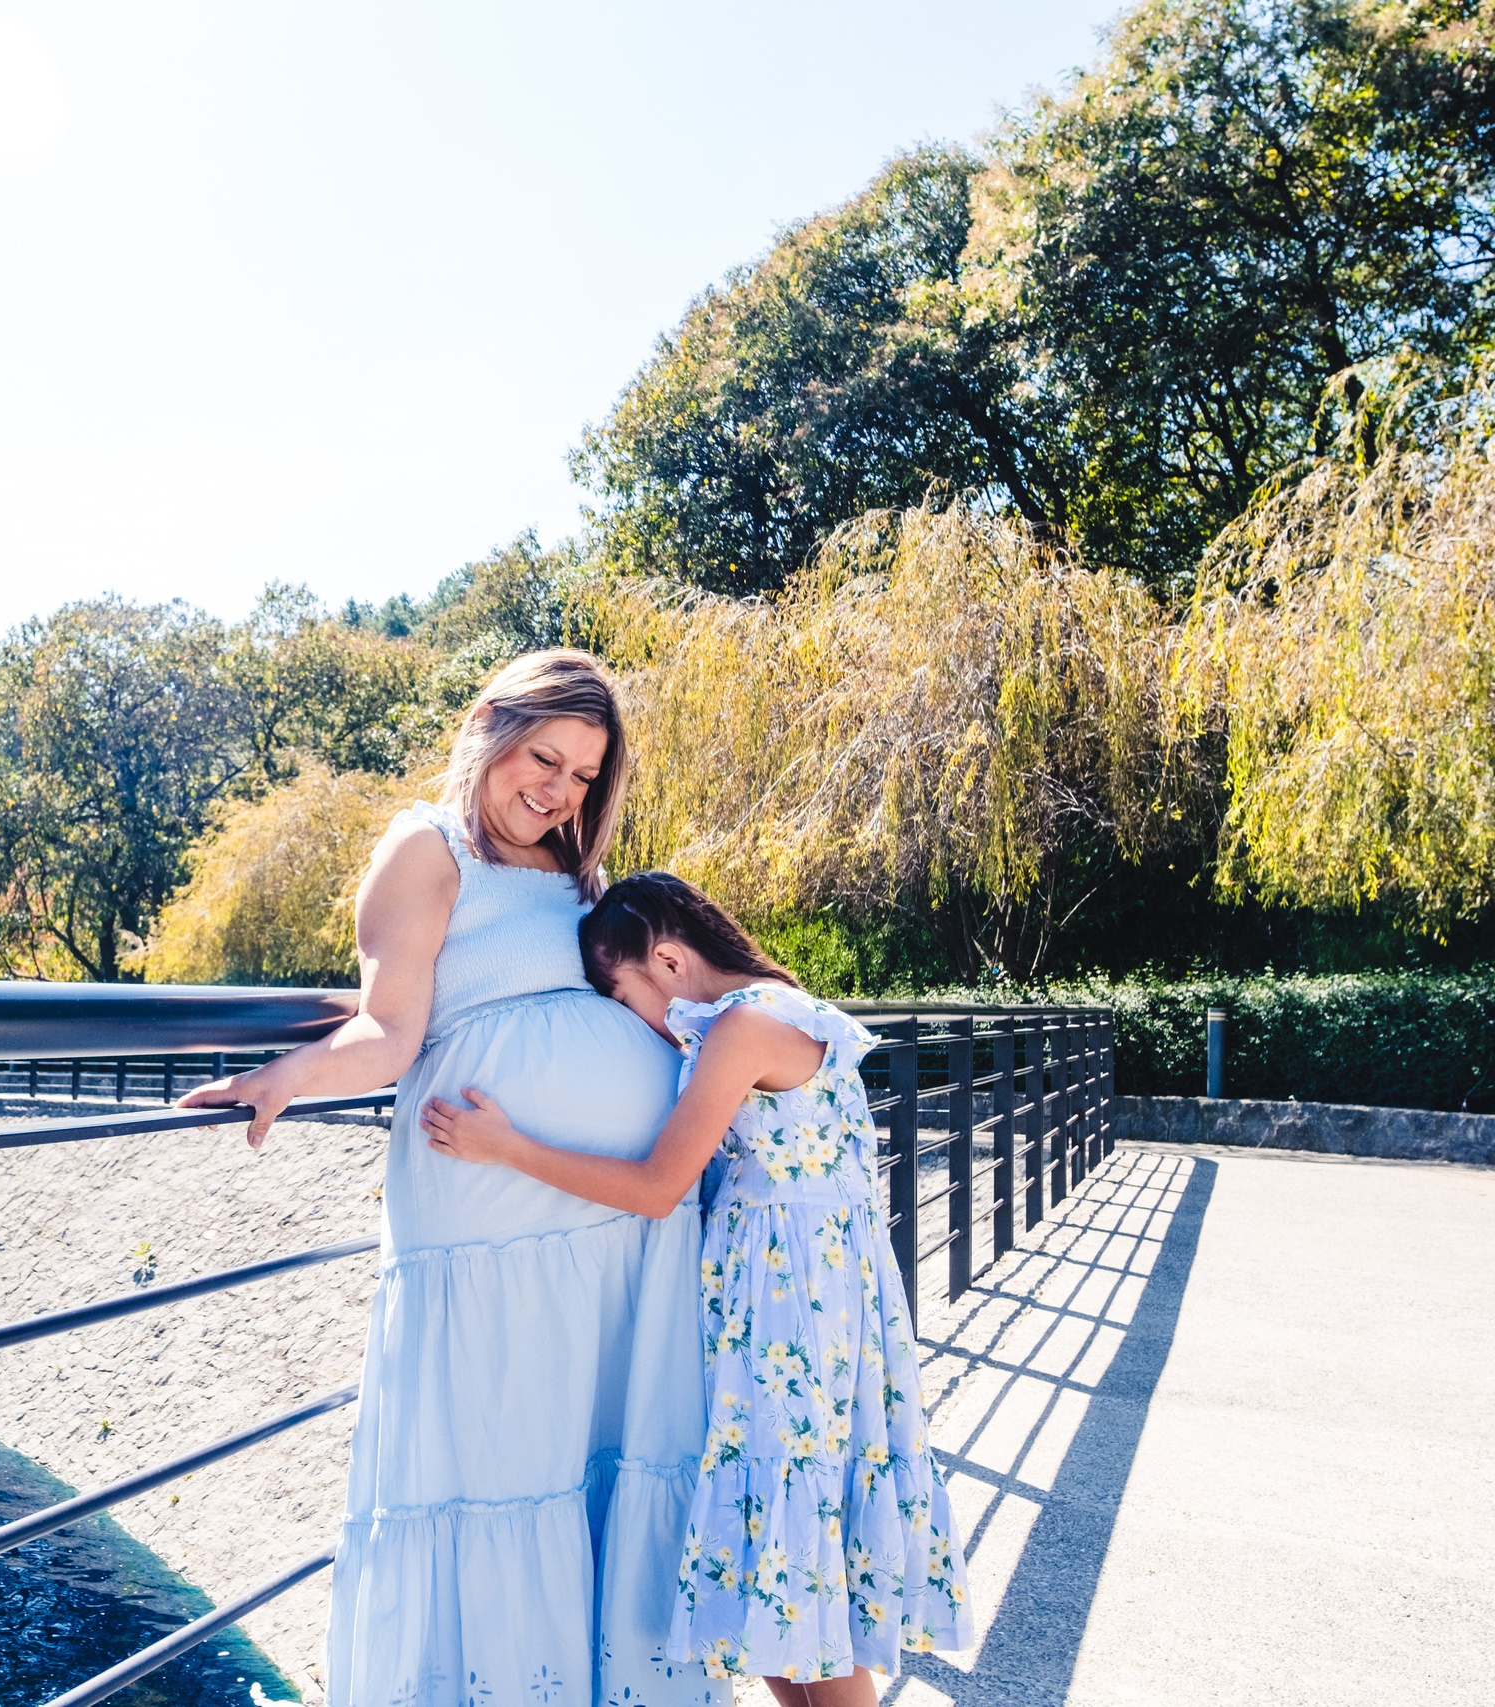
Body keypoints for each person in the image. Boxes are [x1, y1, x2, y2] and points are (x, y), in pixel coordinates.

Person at [182, 651, 725, 1707]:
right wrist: (286, 1076)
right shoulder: (425, 849)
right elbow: (388, 1030)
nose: (558, 788)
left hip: (613, 1213)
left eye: (581, 774)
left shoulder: (577, 877)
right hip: (486, 1209)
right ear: (489, 724)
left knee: (593, 1452)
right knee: (501, 1451)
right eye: (543, 756)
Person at [419, 873, 974, 1705]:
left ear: (667, 958)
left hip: (789, 1316)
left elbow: (657, 1185)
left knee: (789, 1572)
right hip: (817, 1303)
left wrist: (507, 1146)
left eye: (621, 991)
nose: (630, 1015)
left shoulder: (744, 1029)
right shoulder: (785, 1006)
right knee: (776, 1577)